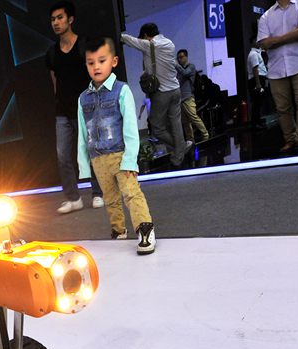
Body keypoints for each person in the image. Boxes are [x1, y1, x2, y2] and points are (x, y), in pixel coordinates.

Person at [77, 36, 156, 255]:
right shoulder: (83, 98)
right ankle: (118, 231)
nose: (96, 66)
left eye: (101, 61)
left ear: (114, 61)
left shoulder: (121, 90)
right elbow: (83, 135)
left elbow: (130, 128)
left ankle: (145, 229)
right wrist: (84, 165)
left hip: (121, 156)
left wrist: (130, 159)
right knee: (110, 199)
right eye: (91, 62)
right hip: (98, 158)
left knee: (131, 194)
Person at [45, 1, 104, 214]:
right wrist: (58, 101)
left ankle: (98, 193)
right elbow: (54, 80)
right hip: (62, 111)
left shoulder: (84, 45)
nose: (56, 22)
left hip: (86, 109)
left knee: (92, 153)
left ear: (70, 19)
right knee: (63, 156)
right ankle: (73, 198)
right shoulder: (52, 52)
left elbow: (97, 74)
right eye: (53, 19)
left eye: (60, 18)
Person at [121, 23, 190, 167]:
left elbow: (128, 40)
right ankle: (179, 153)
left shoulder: (149, 45)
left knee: (156, 127)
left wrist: (117, 34)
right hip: (176, 90)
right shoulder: (170, 43)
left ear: (146, 35)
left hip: (161, 92)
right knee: (176, 123)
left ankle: (180, 147)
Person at [257, 0, 298, 153]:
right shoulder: (266, 16)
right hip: (276, 68)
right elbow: (265, 44)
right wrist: (295, 35)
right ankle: (290, 140)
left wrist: (275, 40)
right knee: (282, 108)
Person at [176, 49, 209, 142]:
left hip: (188, 97)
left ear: (186, 57)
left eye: (181, 57)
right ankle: (190, 138)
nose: (179, 59)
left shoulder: (191, 67)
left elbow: (185, 73)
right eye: (178, 58)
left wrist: (176, 65)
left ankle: (205, 134)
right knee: (185, 121)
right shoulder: (179, 71)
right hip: (181, 99)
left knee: (194, 117)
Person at [247, 37, 270, 126]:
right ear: (253, 42)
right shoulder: (253, 54)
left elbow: (264, 49)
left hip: (260, 78)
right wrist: (258, 84)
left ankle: (258, 122)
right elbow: (255, 69)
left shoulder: (257, 52)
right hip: (256, 80)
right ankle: (255, 124)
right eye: (257, 41)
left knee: (259, 103)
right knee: (256, 103)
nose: (259, 42)